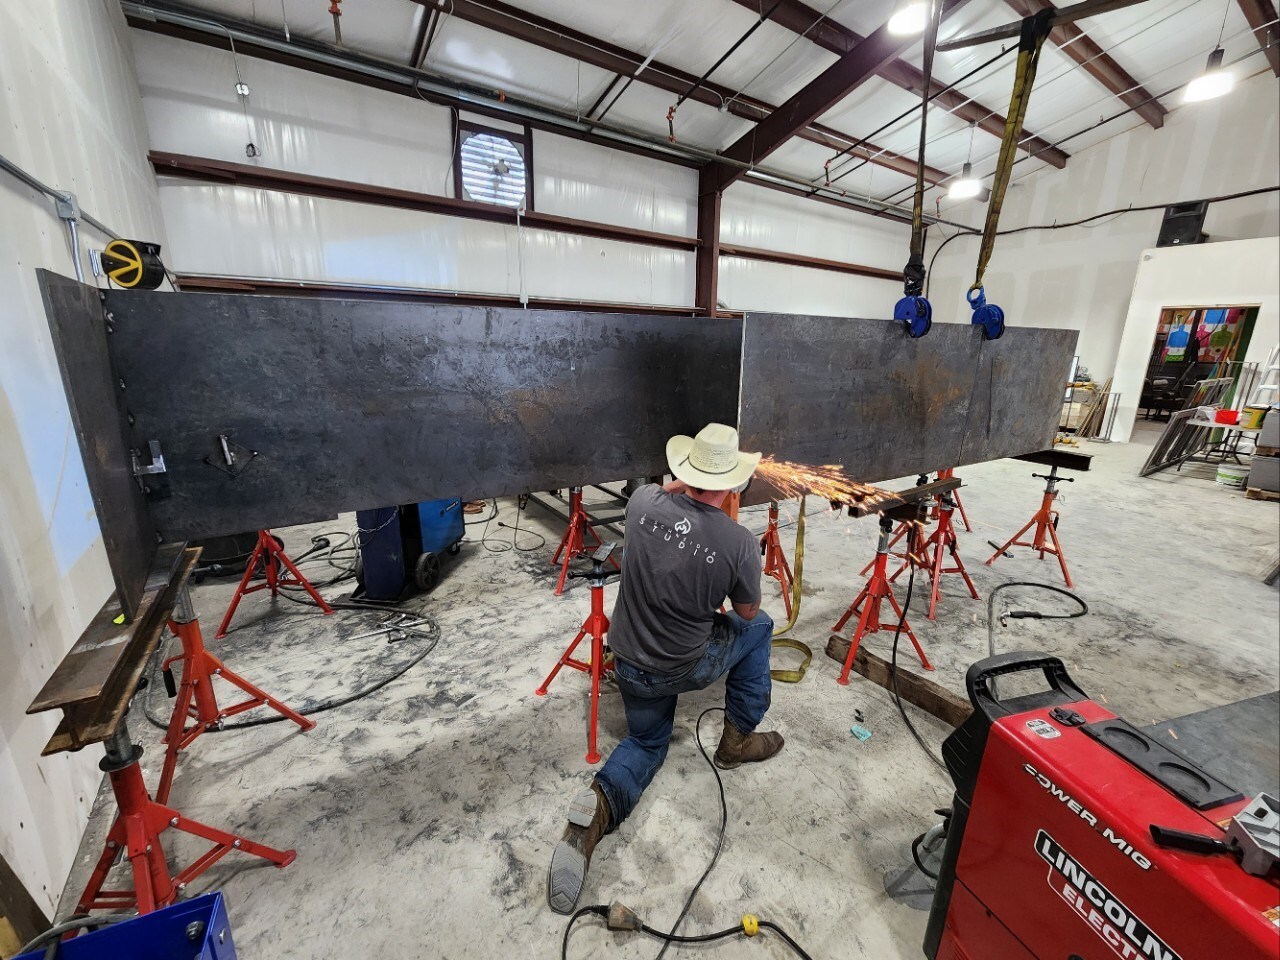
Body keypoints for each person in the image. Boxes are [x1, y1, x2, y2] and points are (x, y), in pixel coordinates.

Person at [547, 423, 784, 915]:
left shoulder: (641, 504)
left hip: (627, 659)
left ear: (686, 471)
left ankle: (594, 813)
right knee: (761, 626)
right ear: (733, 483)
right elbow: (744, 613)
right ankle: (736, 742)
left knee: (646, 743)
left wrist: (687, 483)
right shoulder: (738, 542)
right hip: (679, 666)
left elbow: (667, 492)